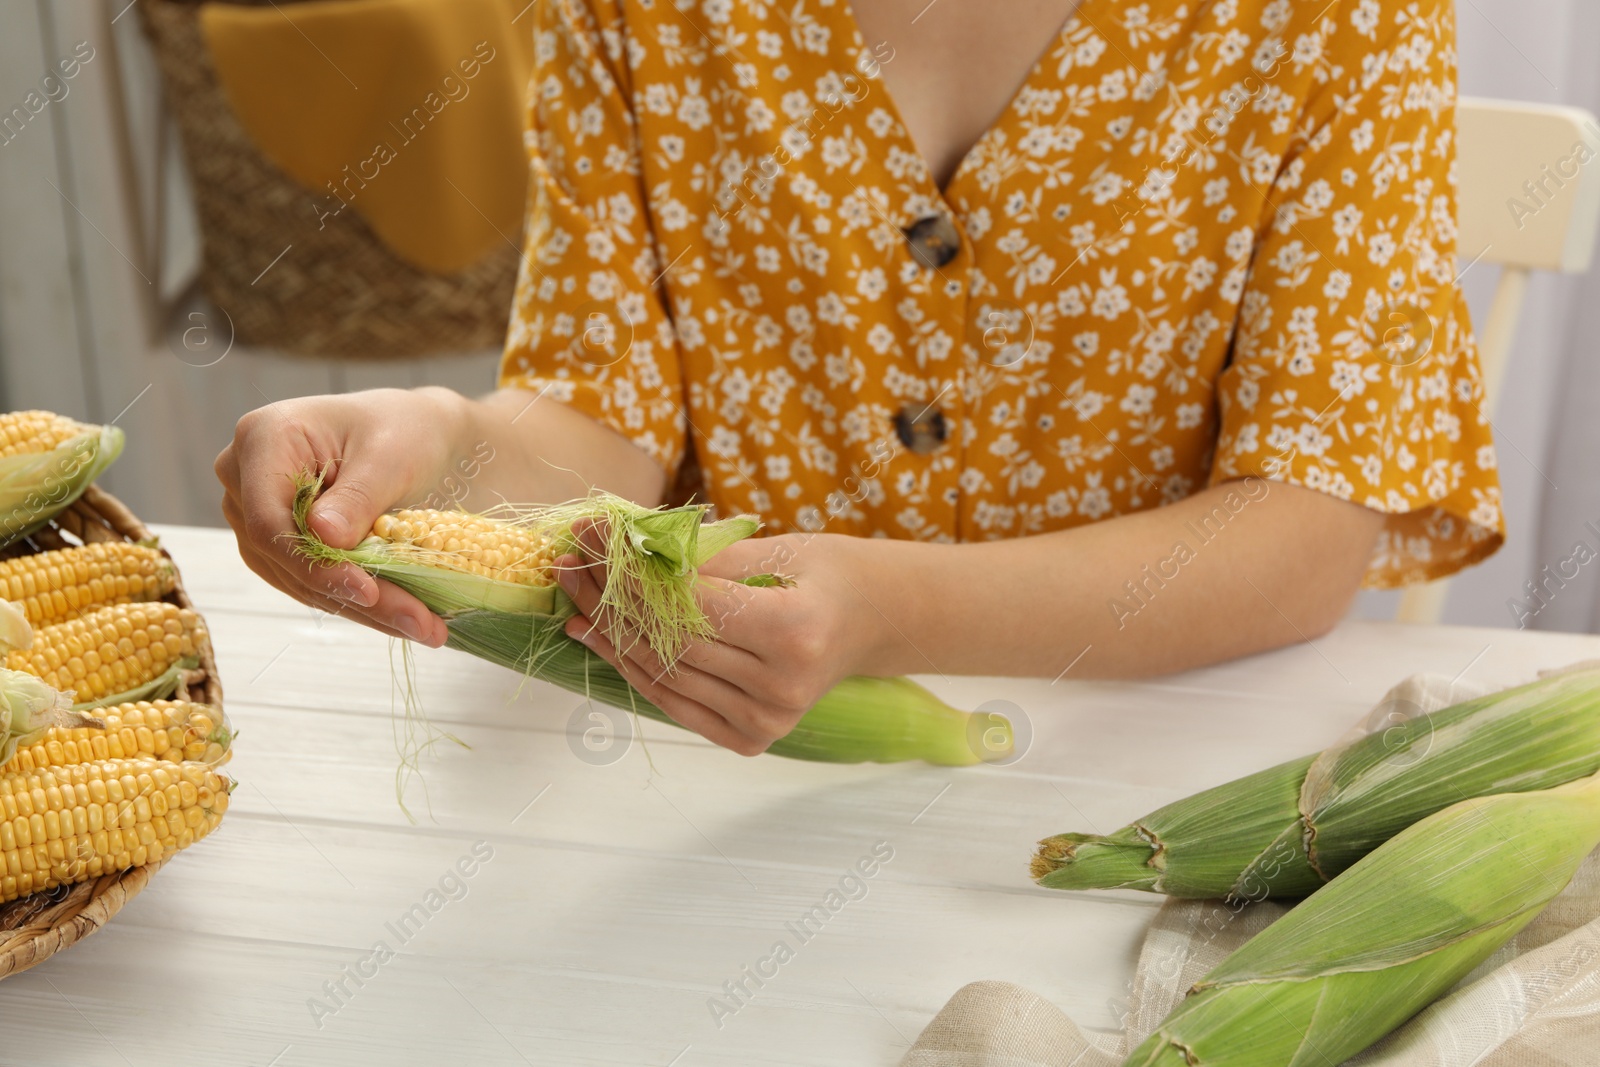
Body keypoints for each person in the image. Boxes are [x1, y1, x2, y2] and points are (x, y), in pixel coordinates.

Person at [217, 0, 1502, 757]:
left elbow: (1305, 529)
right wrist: (434, 440)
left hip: (1165, 755)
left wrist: (888, 608)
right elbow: (603, 420)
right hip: (726, 772)